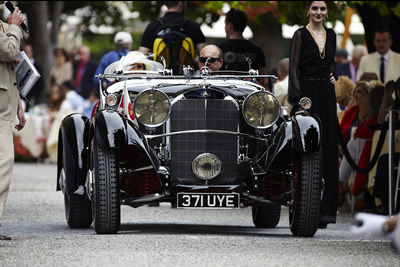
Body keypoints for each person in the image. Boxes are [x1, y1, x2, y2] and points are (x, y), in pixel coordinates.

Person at [288, 1, 338, 228]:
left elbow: (330, 62)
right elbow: (294, 69)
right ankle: (307, 208)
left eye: (323, 9)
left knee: (327, 146)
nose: (319, 12)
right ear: (307, 10)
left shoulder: (333, 34)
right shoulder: (299, 34)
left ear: (327, 12)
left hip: (327, 95)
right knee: (309, 148)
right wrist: (298, 102)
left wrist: (333, 74)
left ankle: (325, 213)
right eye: (315, 8)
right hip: (307, 94)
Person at [0, 1, 26, 241]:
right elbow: (7, 51)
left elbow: (7, 62)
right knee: (4, 161)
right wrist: (15, 28)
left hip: (5, 103)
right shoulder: (6, 24)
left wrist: (19, 105)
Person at [338, 81, 384, 209]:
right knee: (353, 146)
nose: (356, 95)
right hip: (345, 149)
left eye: (360, 92)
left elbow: (360, 133)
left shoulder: (374, 116)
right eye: (355, 92)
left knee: (354, 145)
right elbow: (341, 130)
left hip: (355, 151)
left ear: (369, 95)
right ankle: (344, 187)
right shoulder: (352, 111)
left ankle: (340, 184)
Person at [138, 1, 206, 66]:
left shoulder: (153, 25)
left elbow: (142, 54)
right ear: (180, 3)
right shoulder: (192, 26)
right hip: (186, 76)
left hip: (159, 76)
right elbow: (205, 54)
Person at [217, 8, 266, 75]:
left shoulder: (218, 49)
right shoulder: (257, 50)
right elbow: (262, 78)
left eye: (225, 24)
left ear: (229, 25)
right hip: (249, 85)